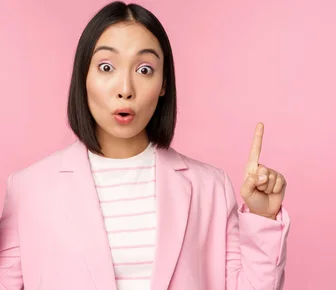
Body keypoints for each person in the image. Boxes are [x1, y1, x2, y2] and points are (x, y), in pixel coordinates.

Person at [0, 1, 290, 289]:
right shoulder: (28, 189)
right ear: (83, 77)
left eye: (144, 70)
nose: (125, 89)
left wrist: (262, 219)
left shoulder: (211, 188)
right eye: (106, 67)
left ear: (164, 83)